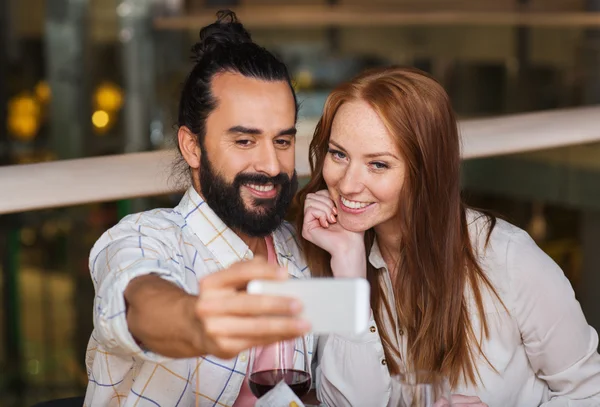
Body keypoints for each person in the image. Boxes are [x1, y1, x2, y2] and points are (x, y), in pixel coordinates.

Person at [297, 66, 600, 406]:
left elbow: (591, 393)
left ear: (426, 171)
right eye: (338, 154)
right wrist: (349, 278)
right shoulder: (324, 254)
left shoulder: (509, 259)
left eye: (378, 164)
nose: (348, 184)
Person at [84, 11, 313, 406]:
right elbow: (138, 297)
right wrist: (192, 321)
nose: (272, 166)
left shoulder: (298, 249)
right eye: (244, 141)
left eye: (282, 141)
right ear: (192, 146)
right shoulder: (144, 236)